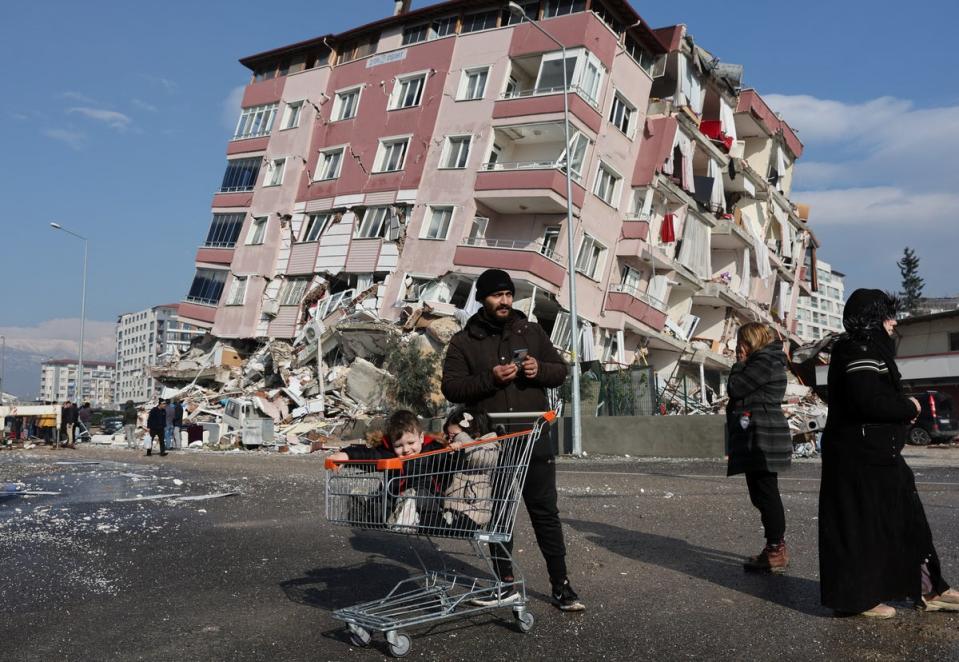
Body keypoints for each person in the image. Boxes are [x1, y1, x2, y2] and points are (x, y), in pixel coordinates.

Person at [441, 268, 583, 612]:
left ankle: (561, 586)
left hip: (534, 438)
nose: (504, 301)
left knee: (545, 513)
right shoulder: (463, 341)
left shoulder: (532, 332)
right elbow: (452, 387)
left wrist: (540, 371)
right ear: (483, 299)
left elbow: (560, 370)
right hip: (493, 442)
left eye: (508, 294)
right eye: (496, 295)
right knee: (499, 515)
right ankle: (505, 584)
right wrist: (489, 379)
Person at [819, 289, 959, 618]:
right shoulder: (858, 350)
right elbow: (866, 400)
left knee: (907, 522)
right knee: (861, 529)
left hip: (878, 455)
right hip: (859, 458)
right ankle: (859, 598)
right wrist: (908, 405)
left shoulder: (866, 349)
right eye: (887, 316)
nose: (893, 323)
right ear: (871, 319)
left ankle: (929, 589)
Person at [725, 322, 792, 573]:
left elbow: (736, 387)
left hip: (762, 434)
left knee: (765, 492)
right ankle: (774, 546)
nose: (737, 346)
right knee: (762, 493)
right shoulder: (767, 360)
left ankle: (775, 550)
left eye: (741, 341)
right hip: (758, 432)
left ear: (750, 341)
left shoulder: (763, 361)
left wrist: (739, 364)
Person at [441, 406, 499, 530]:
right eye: (450, 436)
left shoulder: (490, 444)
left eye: (454, 435)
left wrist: (462, 439)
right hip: (454, 508)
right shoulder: (460, 447)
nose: (452, 439)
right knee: (431, 523)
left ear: (474, 432)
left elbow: (480, 458)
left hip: (474, 511)